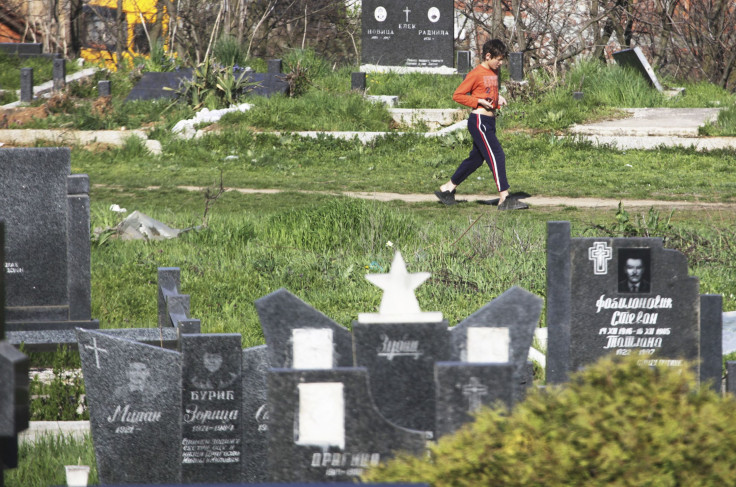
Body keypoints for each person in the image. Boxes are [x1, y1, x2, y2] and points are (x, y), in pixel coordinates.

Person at [435, 39, 528, 210]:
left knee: (476, 160)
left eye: (502, 60)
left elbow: (488, 92)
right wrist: (477, 101)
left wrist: (497, 99)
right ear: (488, 56)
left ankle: (447, 189)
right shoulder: (476, 73)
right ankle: (504, 198)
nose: (501, 63)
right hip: (479, 122)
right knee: (497, 154)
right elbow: (458, 95)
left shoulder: (493, 72)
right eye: (498, 60)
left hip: (490, 121)